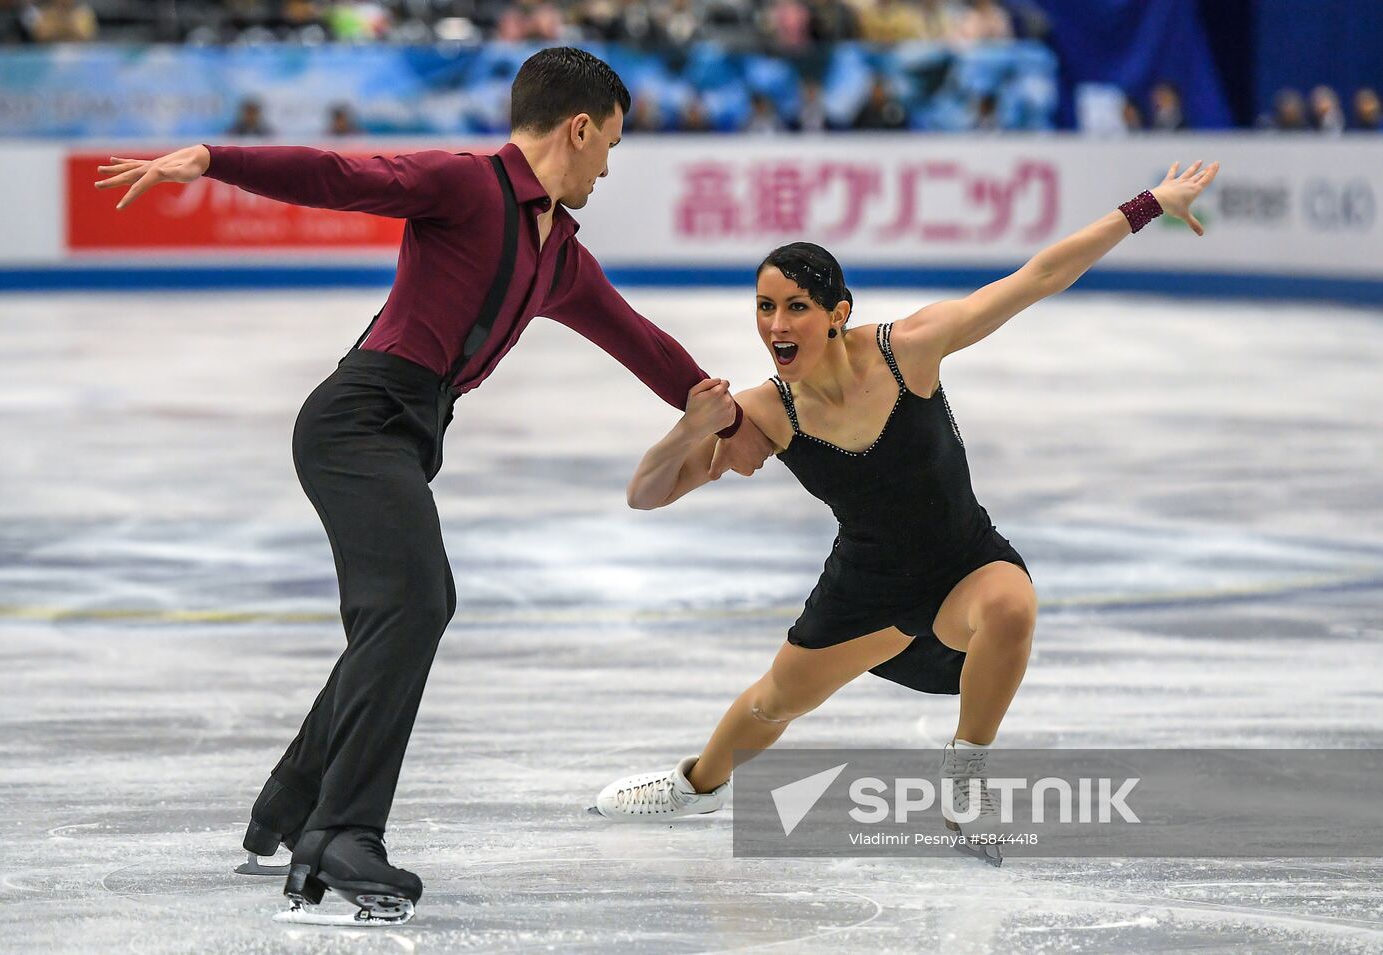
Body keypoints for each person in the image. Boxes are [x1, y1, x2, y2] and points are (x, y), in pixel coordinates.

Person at [94, 47, 772, 925]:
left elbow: (637, 338)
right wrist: (216, 160)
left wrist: (722, 413)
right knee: (411, 604)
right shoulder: (466, 187)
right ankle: (341, 834)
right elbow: (341, 173)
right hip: (357, 421)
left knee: (418, 602)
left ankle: (293, 807)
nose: (608, 163)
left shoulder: (559, 252)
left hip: (409, 434)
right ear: (577, 128)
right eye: (609, 142)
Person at [592, 160, 1220, 866]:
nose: (776, 324)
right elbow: (644, 494)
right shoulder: (766, 411)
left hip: (963, 562)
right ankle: (693, 784)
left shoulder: (908, 352)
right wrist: (687, 427)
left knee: (1012, 606)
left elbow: (1036, 277)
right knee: (774, 702)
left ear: (838, 313)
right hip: (867, 586)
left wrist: (1145, 205)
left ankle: (965, 773)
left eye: (796, 306)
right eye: (765, 308)